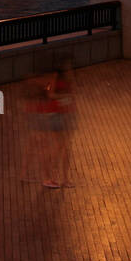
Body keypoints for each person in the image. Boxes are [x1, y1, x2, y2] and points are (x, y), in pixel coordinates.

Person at [37, 60, 75, 188]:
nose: (70, 71)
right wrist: (62, 97)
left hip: (61, 115)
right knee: (60, 148)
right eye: (68, 69)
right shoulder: (55, 78)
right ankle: (51, 177)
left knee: (63, 147)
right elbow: (50, 94)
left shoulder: (65, 80)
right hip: (55, 115)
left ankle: (61, 178)